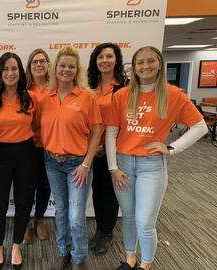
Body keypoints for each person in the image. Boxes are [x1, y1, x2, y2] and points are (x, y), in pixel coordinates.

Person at [105, 46, 208, 270]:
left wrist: (171, 148)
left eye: (151, 61)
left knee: (145, 222)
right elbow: (111, 132)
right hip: (123, 164)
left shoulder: (173, 94)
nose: (145, 66)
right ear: (133, 68)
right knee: (129, 217)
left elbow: (200, 127)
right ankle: (130, 257)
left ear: (160, 63)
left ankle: (146, 265)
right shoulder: (122, 95)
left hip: (151, 167)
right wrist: (113, 167)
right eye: (140, 62)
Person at [38, 46, 102, 270]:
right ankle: (63, 252)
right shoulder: (46, 97)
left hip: (78, 165)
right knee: (62, 211)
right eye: (62, 65)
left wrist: (87, 163)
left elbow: (96, 131)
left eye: (71, 66)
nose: (66, 69)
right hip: (52, 163)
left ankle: (79, 257)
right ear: (55, 69)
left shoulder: (87, 97)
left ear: (77, 70)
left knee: (76, 215)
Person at [0, 52, 38, 270]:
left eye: (14, 68)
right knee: (0, 205)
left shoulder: (31, 98)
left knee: (23, 203)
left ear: (20, 72)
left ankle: (16, 246)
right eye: (5, 69)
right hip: (0, 155)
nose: (10, 73)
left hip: (25, 153)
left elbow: (38, 124)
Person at [86, 42, 128, 255]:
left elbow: (127, 121)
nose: (104, 61)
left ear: (116, 60)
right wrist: (94, 146)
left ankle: (108, 232)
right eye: (100, 57)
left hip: (114, 148)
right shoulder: (90, 86)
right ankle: (99, 229)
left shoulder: (125, 86)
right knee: (98, 191)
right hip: (93, 149)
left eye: (109, 56)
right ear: (95, 61)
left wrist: (107, 144)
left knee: (110, 193)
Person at [22, 48, 52, 244]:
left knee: (45, 185)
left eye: (42, 61)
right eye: (35, 61)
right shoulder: (23, 89)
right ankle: (24, 222)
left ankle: (39, 219)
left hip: (51, 145)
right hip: (29, 145)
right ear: (29, 66)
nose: (39, 64)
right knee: (27, 186)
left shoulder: (56, 87)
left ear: (48, 64)